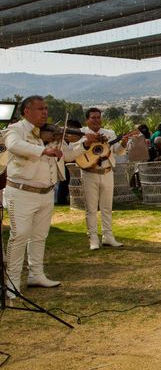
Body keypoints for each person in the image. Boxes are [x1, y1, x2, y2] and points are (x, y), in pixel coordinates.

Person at [3, 96, 93, 297]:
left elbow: (67, 155)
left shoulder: (52, 135)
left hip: (45, 193)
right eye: (40, 109)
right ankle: (12, 282)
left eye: (46, 109)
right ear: (27, 111)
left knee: (39, 236)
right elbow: (14, 145)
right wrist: (44, 149)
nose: (45, 112)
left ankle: (36, 274)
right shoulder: (16, 129)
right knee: (19, 236)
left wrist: (84, 145)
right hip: (21, 192)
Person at [80, 107, 130, 249]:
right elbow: (77, 151)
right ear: (87, 119)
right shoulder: (81, 134)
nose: (96, 120)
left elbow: (118, 152)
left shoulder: (109, 133)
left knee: (107, 208)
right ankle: (93, 239)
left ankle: (108, 236)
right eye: (93, 117)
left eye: (98, 117)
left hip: (107, 173)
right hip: (90, 173)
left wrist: (123, 143)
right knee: (91, 208)